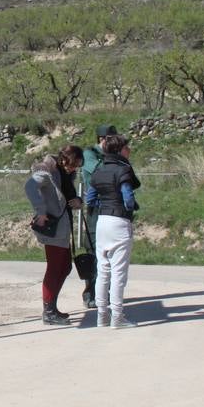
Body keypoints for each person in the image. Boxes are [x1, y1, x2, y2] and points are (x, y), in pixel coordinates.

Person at [85, 135, 141, 329]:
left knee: (103, 270)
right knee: (118, 272)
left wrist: (105, 202)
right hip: (119, 221)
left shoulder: (98, 171)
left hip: (102, 221)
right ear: (119, 150)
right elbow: (128, 199)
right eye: (127, 147)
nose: (130, 150)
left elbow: (90, 199)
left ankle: (102, 316)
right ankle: (117, 317)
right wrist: (128, 206)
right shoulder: (123, 170)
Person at [25, 153, 81, 325]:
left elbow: (65, 197)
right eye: (73, 165)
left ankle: (52, 308)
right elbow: (30, 186)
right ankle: (48, 312)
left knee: (64, 267)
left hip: (61, 228)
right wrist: (41, 210)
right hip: (53, 228)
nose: (75, 169)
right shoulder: (47, 172)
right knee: (55, 268)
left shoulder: (63, 175)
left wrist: (78, 200)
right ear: (64, 160)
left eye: (77, 166)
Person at [77, 124, 116, 308]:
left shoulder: (111, 156)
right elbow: (101, 171)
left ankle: (104, 292)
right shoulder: (90, 154)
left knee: (110, 252)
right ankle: (90, 292)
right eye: (110, 139)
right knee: (94, 251)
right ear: (102, 139)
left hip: (111, 208)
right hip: (96, 209)